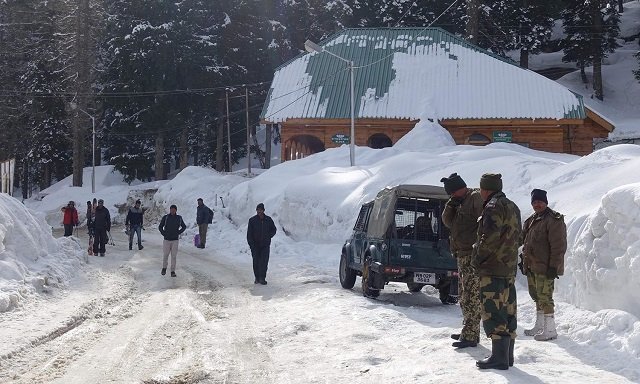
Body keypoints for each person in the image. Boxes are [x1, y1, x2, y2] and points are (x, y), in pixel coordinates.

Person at [474, 173, 521, 370]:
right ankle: (507, 356)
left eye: (481, 189)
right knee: (508, 309)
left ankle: (499, 357)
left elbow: (489, 237)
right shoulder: (513, 206)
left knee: (493, 310)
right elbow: (520, 235)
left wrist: (478, 257)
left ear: (486, 189)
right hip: (508, 267)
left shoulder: (493, 207)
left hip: (492, 267)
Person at [441, 173, 484, 349]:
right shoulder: (457, 202)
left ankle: (471, 335)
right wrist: (451, 204)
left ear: (460, 188)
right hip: (461, 254)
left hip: (472, 254)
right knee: (464, 295)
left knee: (472, 295)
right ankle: (468, 330)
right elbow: (447, 222)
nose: (451, 196)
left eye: (452, 193)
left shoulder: (475, 198)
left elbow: (485, 222)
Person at [521, 188, 567, 341]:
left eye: (540, 202)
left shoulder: (554, 219)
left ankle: (551, 330)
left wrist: (554, 267)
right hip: (532, 266)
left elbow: (558, 246)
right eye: (534, 202)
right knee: (536, 296)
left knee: (545, 297)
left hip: (545, 267)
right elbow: (524, 241)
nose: (537, 205)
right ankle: (540, 326)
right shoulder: (531, 220)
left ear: (545, 202)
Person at [247, 203, 277, 285]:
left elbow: (274, 229)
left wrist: (269, 236)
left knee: (264, 262)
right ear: (256, 210)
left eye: (261, 210)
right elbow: (249, 234)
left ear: (263, 210)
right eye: (258, 210)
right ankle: (257, 278)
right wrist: (251, 244)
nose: (259, 211)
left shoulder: (268, 220)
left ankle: (262, 278)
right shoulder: (252, 220)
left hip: (265, 245)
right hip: (255, 245)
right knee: (256, 261)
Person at [158, 204, 187, 277]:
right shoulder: (166, 217)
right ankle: (164, 268)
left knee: (174, 256)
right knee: (165, 255)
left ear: (176, 210)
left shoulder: (179, 218)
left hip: (175, 240)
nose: (172, 211)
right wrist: (163, 233)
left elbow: (184, 226)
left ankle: (172, 271)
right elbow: (160, 226)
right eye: (171, 209)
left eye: (174, 209)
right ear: (170, 210)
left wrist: (178, 232)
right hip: (167, 240)